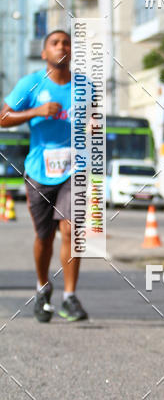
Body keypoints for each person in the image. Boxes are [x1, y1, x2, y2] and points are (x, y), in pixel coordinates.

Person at [0, 30, 88, 322]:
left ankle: (70, 297)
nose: (61, 46)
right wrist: (36, 110)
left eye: (66, 42)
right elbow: (3, 117)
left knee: (71, 230)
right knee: (44, 237)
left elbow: (94, 123)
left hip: (74, 169)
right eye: (55, 43)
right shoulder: (31, 84)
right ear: (44, 53)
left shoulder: (85, 86)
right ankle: (42, 287)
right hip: (39, 170)